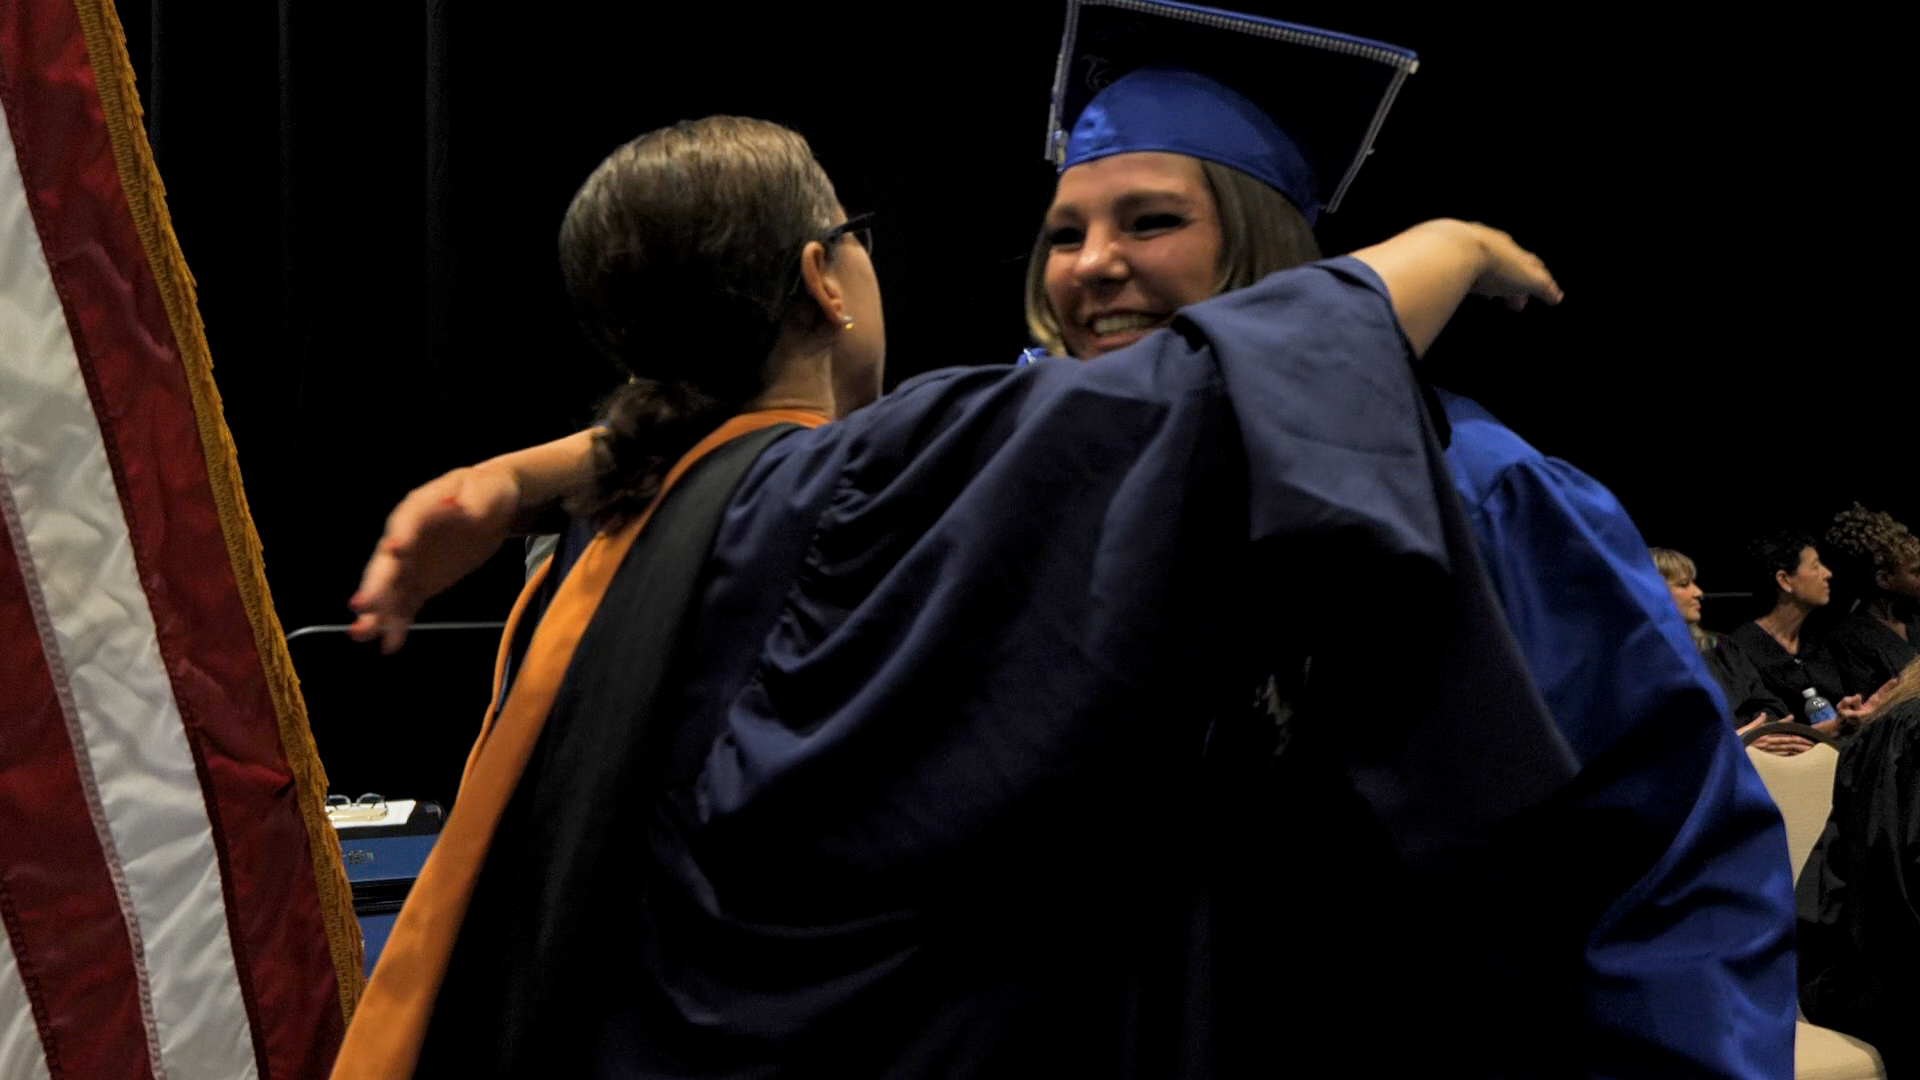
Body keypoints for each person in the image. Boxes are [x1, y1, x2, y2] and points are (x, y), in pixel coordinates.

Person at [335, 107, 1572, 1077]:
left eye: (1149, 222)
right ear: (824, 278)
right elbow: (1224, 386)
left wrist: (517, 476)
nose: (1095, 266)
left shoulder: (612, 536)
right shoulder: (871, 485)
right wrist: (1451, 246)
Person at [1649, 546, 1808, 754]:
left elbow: (1771, 706)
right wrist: (1733, 740)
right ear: (1653, 590)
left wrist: (1756, 734)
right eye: (1684, 584)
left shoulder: (1720, 647)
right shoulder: (1638, 662)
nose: (1698, 593)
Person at [1720, 531, 1864, 733]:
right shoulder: (1738, 651)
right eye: (1815, 566)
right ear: (1785, 580)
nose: (1827, 574)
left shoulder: (1818, 643)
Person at [1822, 502, 1920, 697]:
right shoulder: (1850, 640)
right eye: (1916, 573)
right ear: (1884, 579)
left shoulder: (1914, 620)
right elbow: (1872, 707)